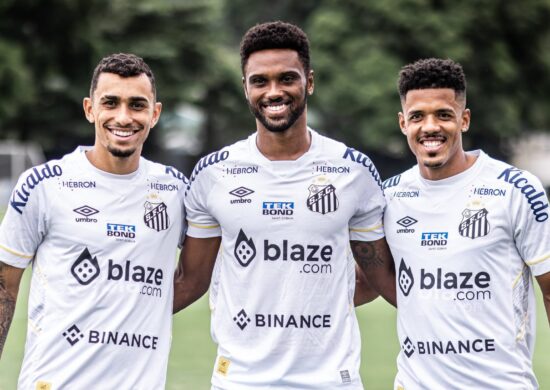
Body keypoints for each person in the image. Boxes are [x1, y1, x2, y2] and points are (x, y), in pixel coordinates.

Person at [173, 21, 395, 389]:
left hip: (331, 381)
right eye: (260, 81)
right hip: (240, 381)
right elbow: (191, 279)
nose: (273, 91)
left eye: (286, 78)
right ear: (245, 88)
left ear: (309, 81)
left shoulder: (353, 171)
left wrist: (311, 300)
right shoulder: (214, 174)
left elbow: (375, 276)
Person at [0, 53, 187, 388]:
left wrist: (141, 307)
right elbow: (4, 285)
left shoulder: (175, 191)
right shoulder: (44, 185)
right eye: (110, 103)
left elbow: (203, 269)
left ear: (155, 114)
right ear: (90, 109)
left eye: (137, 105)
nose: (123, 117)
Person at [383, 57, 550, 389]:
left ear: (464, 120)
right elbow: (363, 280)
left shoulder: (516, 190)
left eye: (444, 115)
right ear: (403, 123)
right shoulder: (388, 197)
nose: (430, 127)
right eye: (417, 116)